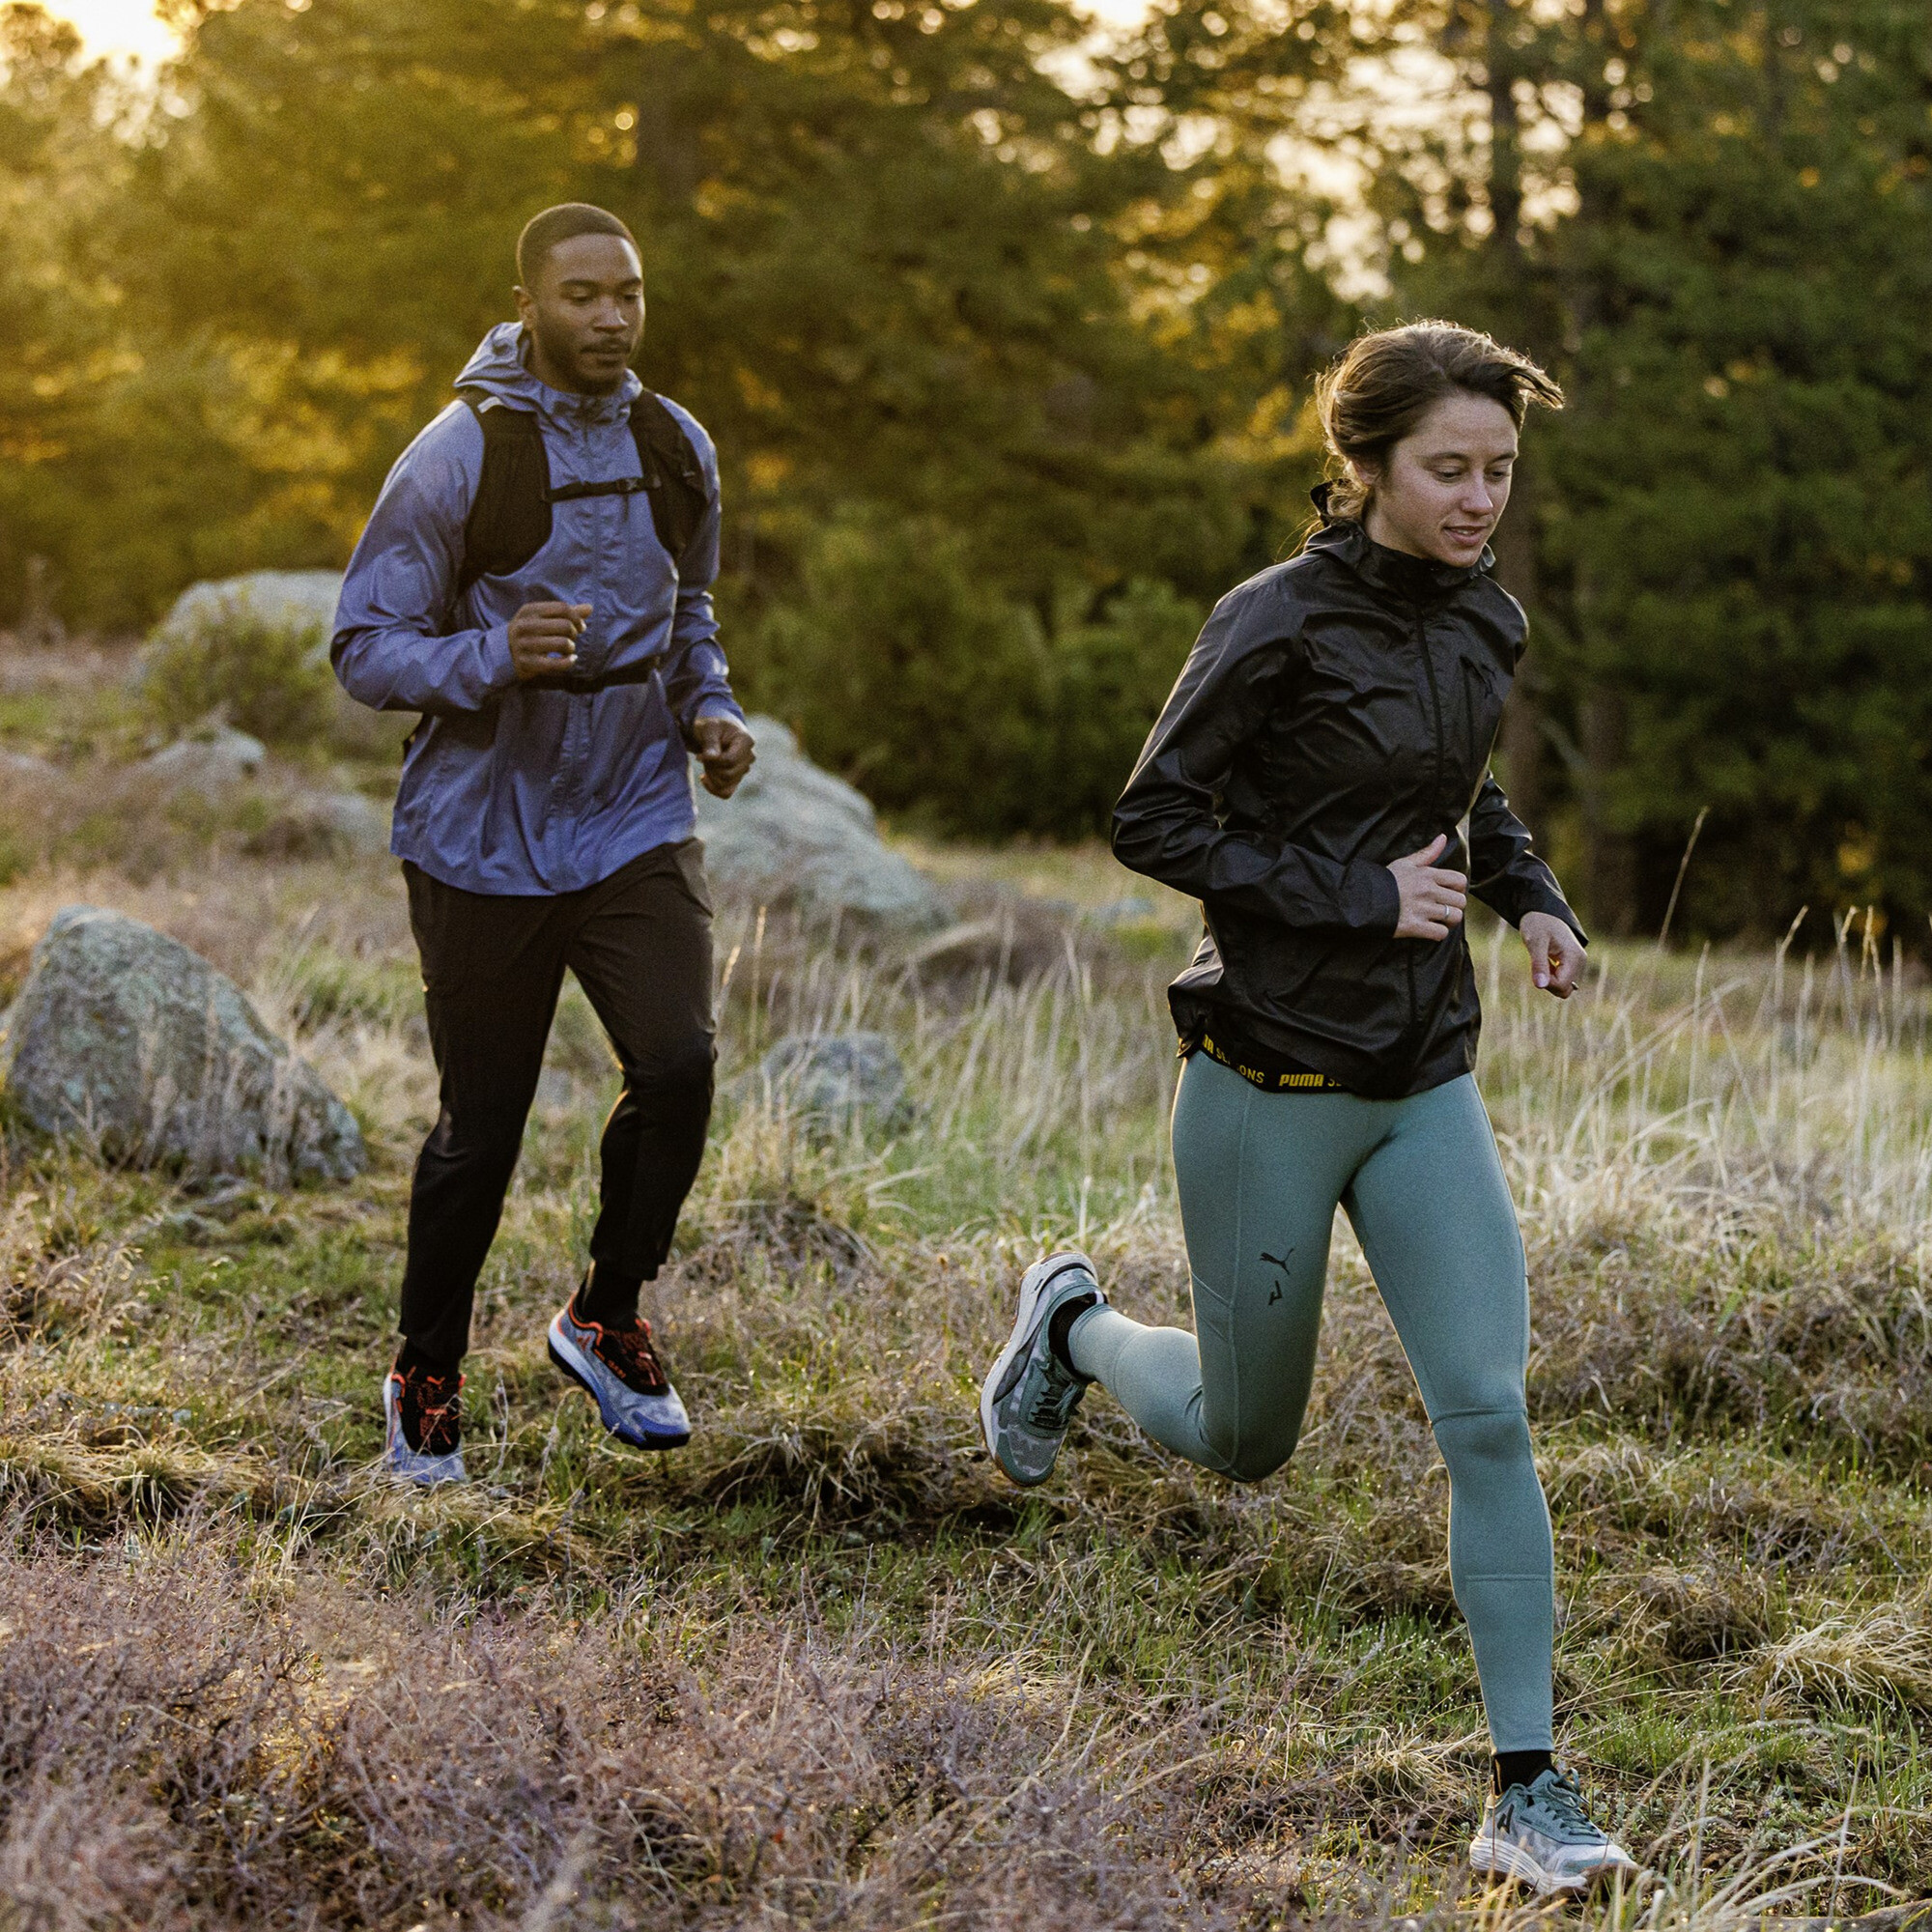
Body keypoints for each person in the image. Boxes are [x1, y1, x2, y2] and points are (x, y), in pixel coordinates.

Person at [980, 322, 1638, 1894]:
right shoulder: (1271, 621)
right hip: (1270, 1076)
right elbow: (1152, 816)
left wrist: (1528, 897)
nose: (1481, 499)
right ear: (1367, 468)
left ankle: (1528, 1791)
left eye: (1499, 471)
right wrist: (1353, 894)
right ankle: (1070, 1330)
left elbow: (1464, 794)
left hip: (1424, 1083)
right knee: (1246, 1437)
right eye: (1448, 471)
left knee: (1486, 1410)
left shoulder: (1488, 619)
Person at [333, 202, 754, 1487]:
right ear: (530, 303)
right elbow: (362, 646)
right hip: (480, 839)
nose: (610, 317)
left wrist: (712, 710)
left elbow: (691, 615)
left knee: (679, 1063)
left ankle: (605, 1312)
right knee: (484, 1127)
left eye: (626, 292)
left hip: (633, 815)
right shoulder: (459, 453)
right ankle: (428, 1374)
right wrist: (486, 656)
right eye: (581, 295)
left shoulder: (675, 444)